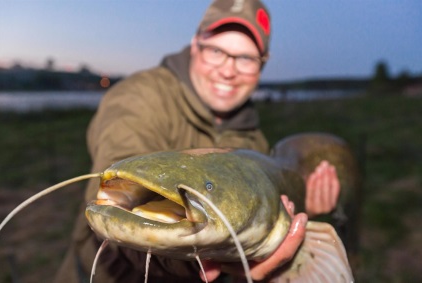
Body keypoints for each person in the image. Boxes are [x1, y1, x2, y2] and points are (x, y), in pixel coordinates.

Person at [54, 0, 340, 282]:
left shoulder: (254, 140)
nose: (229, 70)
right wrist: (201, 257)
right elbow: (116, 194)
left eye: (246, 58)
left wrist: (306, 211)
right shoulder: (139, 97)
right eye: (217, 50)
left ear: (262, 65)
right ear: (195, 45)